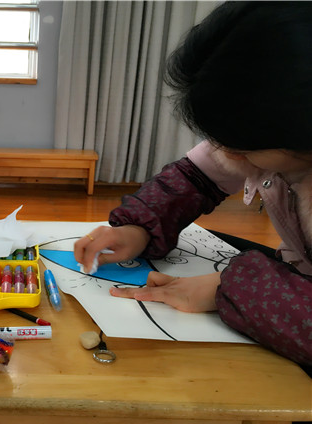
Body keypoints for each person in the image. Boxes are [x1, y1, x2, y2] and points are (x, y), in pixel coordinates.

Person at [74, 1, 312, 368]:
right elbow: (193, 178)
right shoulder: (265, 136)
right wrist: (139, 227)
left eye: (242, 147)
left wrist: (228, 288)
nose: (226, 153)